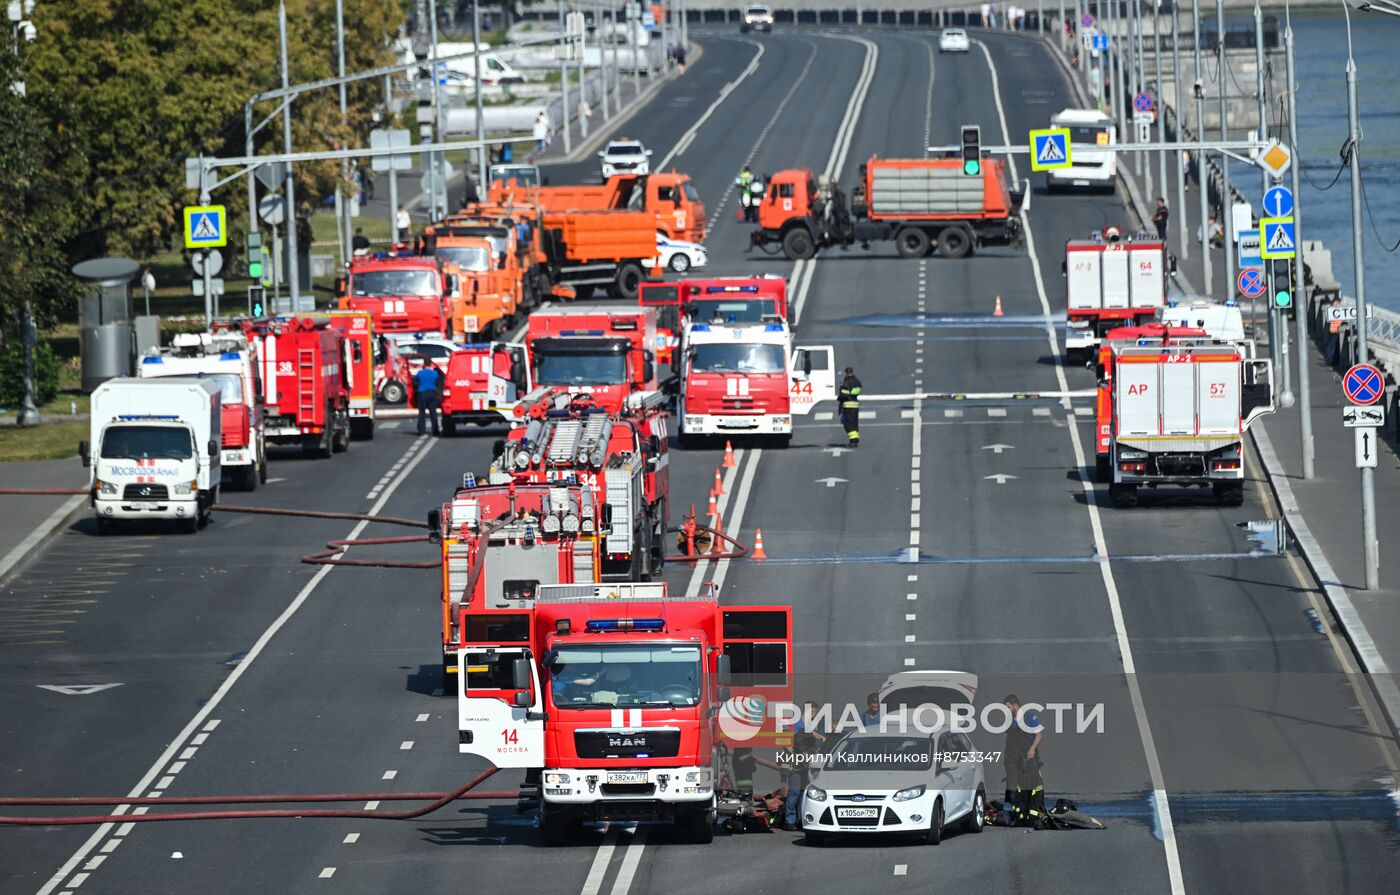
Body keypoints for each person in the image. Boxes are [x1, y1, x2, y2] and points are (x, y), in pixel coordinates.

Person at [1002, 694, 1045, 827]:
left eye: (1008, 707)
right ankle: (1018, 815)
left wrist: (1032, 749)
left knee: (1032, 786)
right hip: (1013, 760)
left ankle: (1032, 815)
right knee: (1014, 787)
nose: (1007, 710)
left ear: (1015, 705)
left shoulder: (1028, 717)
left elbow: (1039, 735)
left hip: (1028, 758)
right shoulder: (1010, 720)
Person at [414, 363, 444, 436]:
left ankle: (421, 431)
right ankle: (435, 430)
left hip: (422, 393)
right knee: (433, 412)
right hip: (432, 393)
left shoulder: (420, 373)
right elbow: (438, 382)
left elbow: (415, 382)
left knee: (422, 413)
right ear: (430, 365)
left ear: (423, 366)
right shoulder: (434, 373)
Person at [838, 367, 862, 448]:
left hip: (848, 405)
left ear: (846, 373)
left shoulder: (846, 382)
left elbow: (844, 394)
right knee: (854, 423)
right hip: (855, 405)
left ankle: (853, 441)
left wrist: (840, 397)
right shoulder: (857, 381)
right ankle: (855, 439)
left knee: (848, 424)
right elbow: (857, 391)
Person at [1324, 297, 1344, 367]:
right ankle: (1332, 360)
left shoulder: (1332, 308)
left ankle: (1330, 360)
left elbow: (1328, 320)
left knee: (1331, 347)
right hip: (1337, 330)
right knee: (1334, 347)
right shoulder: (1340, 308)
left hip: (1332, 330)